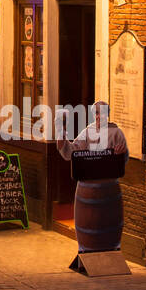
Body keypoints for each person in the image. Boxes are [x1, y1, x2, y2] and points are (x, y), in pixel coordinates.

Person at [56, 102, 128, 255]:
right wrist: (61, 137)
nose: (98, 116)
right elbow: (71, 152)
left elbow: (124, 158)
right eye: (96, 113)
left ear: (107, 114)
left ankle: (111, 252)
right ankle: (87, 252)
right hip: (88, 187)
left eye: (101, 113)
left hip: (108, 186)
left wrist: (121, 154)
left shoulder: (115, 132)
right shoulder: (87, 132)